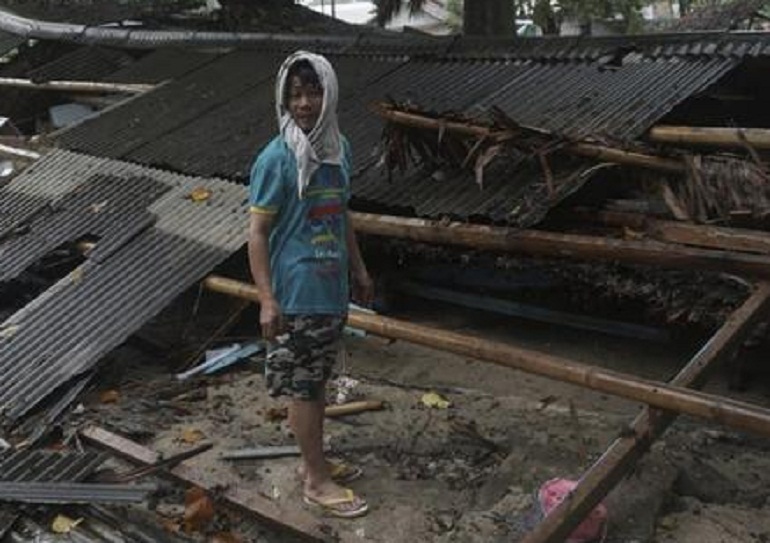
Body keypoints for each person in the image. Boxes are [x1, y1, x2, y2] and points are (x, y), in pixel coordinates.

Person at [248, 51, 373, 519]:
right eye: (295, 94)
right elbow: (257, 234)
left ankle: (311, 463)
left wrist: (358, 269)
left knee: (316, 381)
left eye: (313, 92)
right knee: (304, 387)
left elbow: (341, 215)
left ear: (330, 94)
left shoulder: (339, 150)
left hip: (330, 289)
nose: (304, 103)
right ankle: (317, 482)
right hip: (297, 293)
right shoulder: (275, 159)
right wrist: (267, 299)